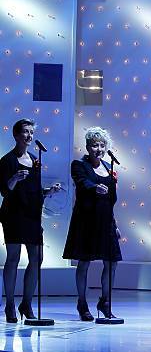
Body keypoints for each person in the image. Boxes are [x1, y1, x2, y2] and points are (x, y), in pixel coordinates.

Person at [0, 119, 61, 323]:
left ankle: (26, 303)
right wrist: (14, 178)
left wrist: (48, 191)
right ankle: (9, 303)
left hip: (32, 214)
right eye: (25, 132)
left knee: (37, 258)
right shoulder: (7, 160)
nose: (29, 136)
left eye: (31, 132)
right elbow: (4, 190)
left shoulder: (35, 159)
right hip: (14, 215)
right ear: (16, 135)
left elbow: (34, 191)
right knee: (13, 258)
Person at [63, 127, 122, 321]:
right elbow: (82, 182)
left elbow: (112, 200)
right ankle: (82, 303)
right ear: (88, 147)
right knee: (84, 262)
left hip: (106, 222)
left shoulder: (109, 167)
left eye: (102, 145)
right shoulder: (79, 165)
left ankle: (105, 301)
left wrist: (114, 224)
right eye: (95, 145)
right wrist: (95, 187)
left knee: (112, 262)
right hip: (86, 221)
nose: (99, 148)